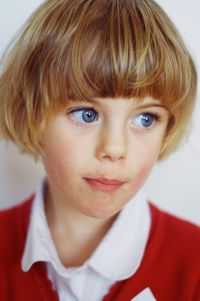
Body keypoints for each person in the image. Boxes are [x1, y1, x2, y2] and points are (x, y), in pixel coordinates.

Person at [0, 0, 199, 300]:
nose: (115, 149)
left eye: (146, 119)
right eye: (86, 114)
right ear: (30, 111)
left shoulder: (193, 264)